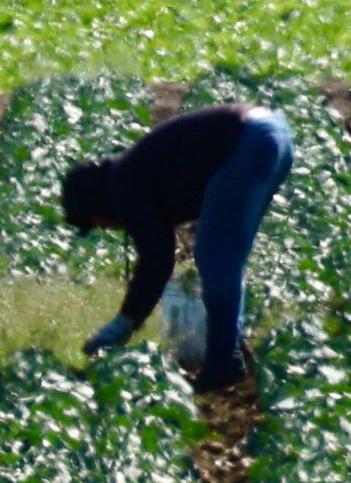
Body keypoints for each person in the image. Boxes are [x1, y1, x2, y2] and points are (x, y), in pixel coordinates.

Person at [60, 97, 294, 393]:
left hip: (251, 141)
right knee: (225, 256)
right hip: (274, 131)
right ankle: (230, 348)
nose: (106, 227)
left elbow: (157, 260)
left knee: (216, 255)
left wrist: (125, 323)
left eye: (97, 222)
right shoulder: (130, 173)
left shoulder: (125, 186)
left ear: (94, 205)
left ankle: (224, 363)